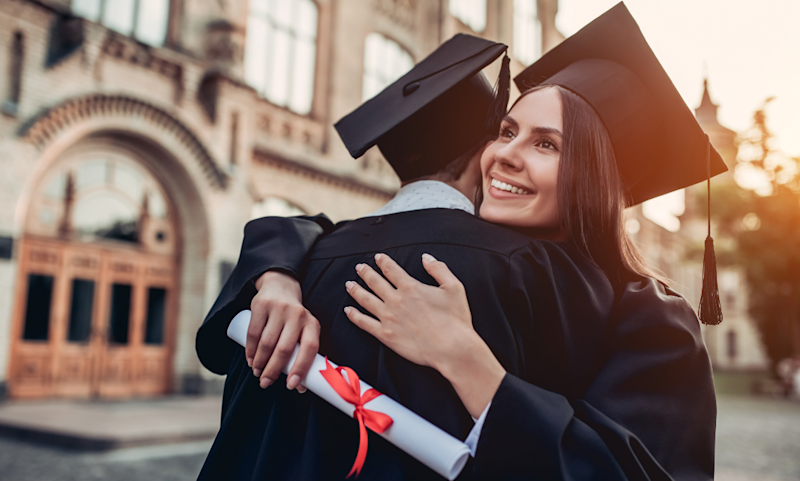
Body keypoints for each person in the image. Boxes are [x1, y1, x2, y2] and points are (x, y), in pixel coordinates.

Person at [197, 5, 726, 480]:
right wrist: (278, 274)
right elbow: (307, 227)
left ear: (599, 177)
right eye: (507, 131)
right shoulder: (516, 272)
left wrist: (466, 359)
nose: (504, 155)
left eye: (546, 143)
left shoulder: (648, 319)